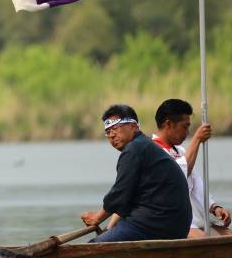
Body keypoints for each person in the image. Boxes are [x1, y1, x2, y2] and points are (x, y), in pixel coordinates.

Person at [82, 104, 192, 242]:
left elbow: (120, 193)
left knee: (93, 246)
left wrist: (97, 218)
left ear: (134, 126)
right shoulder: (144, 145)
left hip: (154, 224)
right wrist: (110, 227)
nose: (112, 135)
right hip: (174, 226)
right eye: (108, 132)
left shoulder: (134, 149)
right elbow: (127, 198)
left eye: (115, 128)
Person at [152, 98, 232, 237]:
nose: (187, 132)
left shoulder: (181, 152)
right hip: (174, 220)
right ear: (168, 124)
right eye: (185, 126)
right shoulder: (151, 151)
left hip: (196, 219)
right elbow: (178, 178)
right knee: (207, 244)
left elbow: (196, 185)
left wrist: (214, 207)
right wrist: (197, 140)